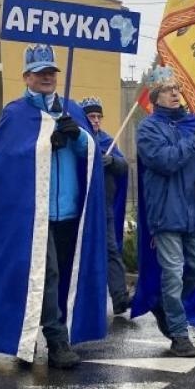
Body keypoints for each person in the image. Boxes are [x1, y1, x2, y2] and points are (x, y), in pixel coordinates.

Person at [0, 45, 107, 368]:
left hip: (69, 213)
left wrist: (79, 138)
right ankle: (57, 341)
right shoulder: (16, 114)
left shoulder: (70, 108)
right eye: (40, 72)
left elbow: (92, 159)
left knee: (59, 277)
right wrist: (44, 145)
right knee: (46, 275)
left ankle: (29, 338)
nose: (47, 77)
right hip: (33, 216)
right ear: (26, 76)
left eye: (51, 72)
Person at [131, 66, 195, 356]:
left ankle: (165, 305)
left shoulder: (191, 123)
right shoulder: (147, 129)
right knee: (173, 273)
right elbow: (166, 161)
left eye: (176, 89)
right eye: (167, 90)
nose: (174, 93)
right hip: (166, 214)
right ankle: (179, 334)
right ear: (155, 97)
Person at [79, 97, 132, 317]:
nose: (96, 120)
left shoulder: (108, 142)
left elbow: (123, 166)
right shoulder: (76, 140)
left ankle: (119, 297)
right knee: (80, 254)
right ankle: (83, 298)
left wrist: (113, 161)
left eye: (99, 116)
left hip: (104, 207)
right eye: (92, 116)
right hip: (80, 208)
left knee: (111, 251)